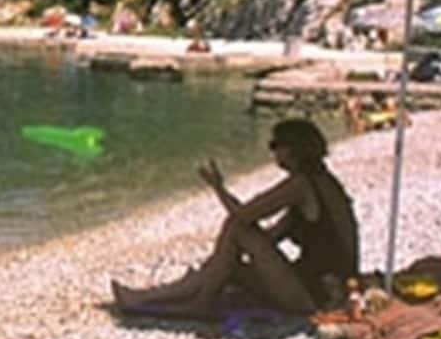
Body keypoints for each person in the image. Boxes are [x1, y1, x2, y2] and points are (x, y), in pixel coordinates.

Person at [111, 118, 359, 319]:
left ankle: (196, 302)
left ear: (293, 149)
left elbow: (244, 216)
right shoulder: (325, 183)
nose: (273, 152)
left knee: (236, 227)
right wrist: (222, 261)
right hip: (329, 287)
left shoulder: (300, 185)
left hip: (316, 295)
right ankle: (150, 297)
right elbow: (271, 237)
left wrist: (218, 188)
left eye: (276, 145)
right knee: (226, 266)